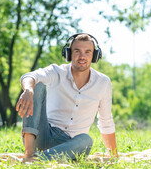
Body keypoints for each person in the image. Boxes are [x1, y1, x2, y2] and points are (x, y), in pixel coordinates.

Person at [15, 33, 118, 161]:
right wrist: (28, 90)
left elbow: (105, 121)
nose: (82, 56)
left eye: (87, 52)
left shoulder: (103, 83)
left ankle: (39, 160)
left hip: (72, 145)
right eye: (77, 51)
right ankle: (29, 154)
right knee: (37, 84)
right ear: (68, 53)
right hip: (44, 135)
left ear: (94, 56)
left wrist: (114, 156)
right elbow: (29, 76)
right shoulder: (57, 72)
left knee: (86, 140)